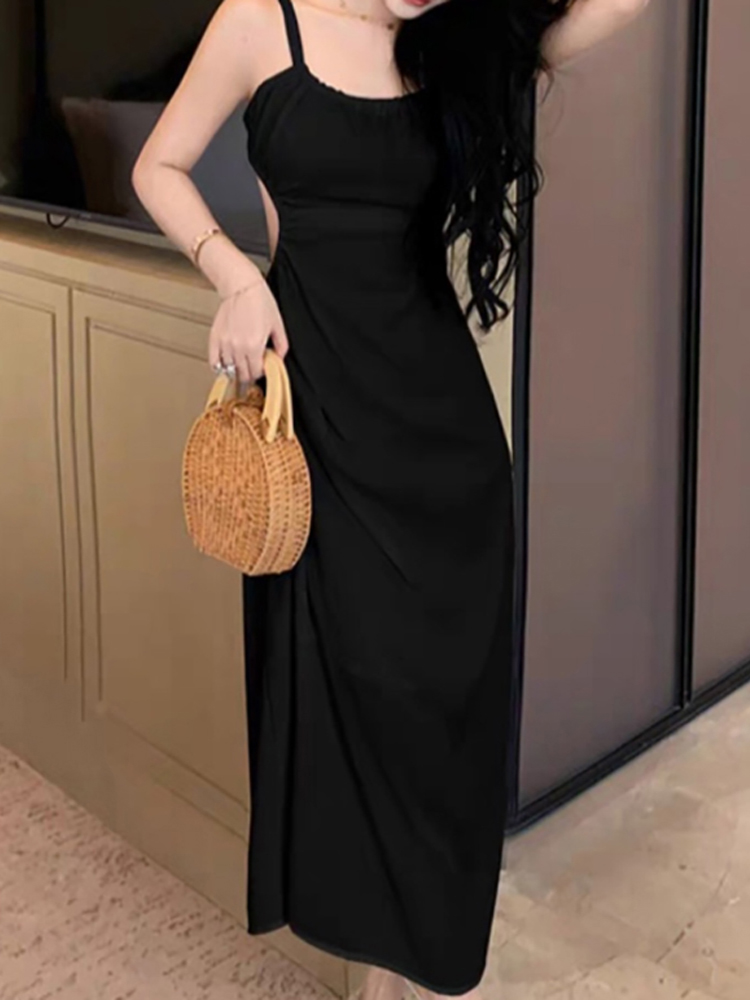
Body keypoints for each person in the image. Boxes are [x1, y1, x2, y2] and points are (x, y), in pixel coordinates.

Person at [131, 0, 651, 996]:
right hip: (323, 428)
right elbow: (158, 165)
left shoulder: (460, 35)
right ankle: (381, 971)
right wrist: (234, 275)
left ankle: (412, 974)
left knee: (434, 723)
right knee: (355, 702)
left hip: (444, 447)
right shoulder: (261, 20)